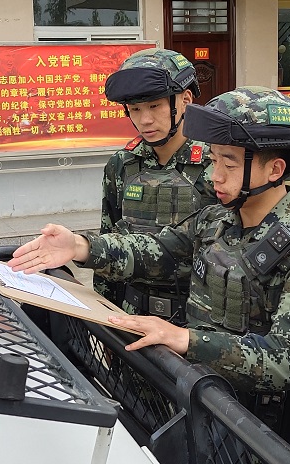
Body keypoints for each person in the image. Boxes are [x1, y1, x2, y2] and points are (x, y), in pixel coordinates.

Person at [8, 86, 290, 397]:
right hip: (195, 398)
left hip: (251, 427)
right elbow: (156, 252)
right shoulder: (215, 220)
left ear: (275, 169)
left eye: (230, 164)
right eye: (214, 160)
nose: (215, 175)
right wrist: (79, 246)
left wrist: (185, 340)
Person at [96, 48, 217, 325]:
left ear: (185, 100)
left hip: (195, 323)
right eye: (135, 110)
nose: (145, 120)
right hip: (131, 317)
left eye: (155, 106)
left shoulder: (217, 163)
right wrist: (105, 319)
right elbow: (109, 239)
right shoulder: (122, 165)